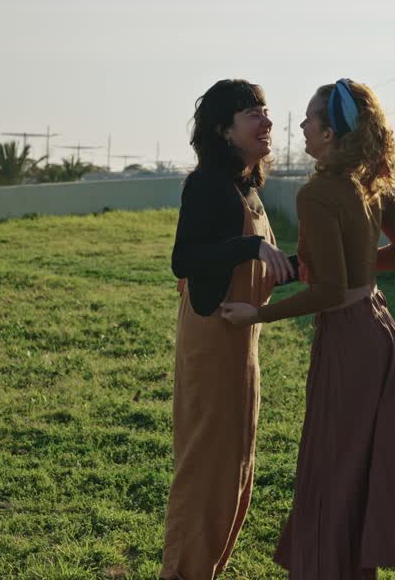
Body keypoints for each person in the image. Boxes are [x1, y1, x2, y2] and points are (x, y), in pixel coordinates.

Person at [221, 78, 395, 580]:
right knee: (361, 468)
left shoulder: (317, 193)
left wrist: (257, 314)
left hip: (349, 340)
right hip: (381, 331)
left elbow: (329, 293)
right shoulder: (370, 181)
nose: (301, 127)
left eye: (310, 120)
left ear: (331, 134)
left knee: (334, 467)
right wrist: (356, 270)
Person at [161, 79, 295, 580]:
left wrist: (328, 265)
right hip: (212, 342)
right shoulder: (207, 185)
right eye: (251, 113)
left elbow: (269, 267)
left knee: (236, 471)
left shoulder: (247, 187)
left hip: (243, 346)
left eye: (266, 111)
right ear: (224, 128)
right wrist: (250, 248)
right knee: (205, 472)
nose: (266, 121)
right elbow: (185, 259)